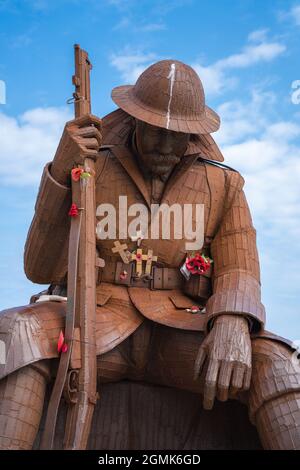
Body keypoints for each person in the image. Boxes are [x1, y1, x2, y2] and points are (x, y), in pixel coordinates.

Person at [0, 60, 299, 450]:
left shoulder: (223, 184)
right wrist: (60, 170)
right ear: (133, 118)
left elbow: (240, 266)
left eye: (178, 136)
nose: (165, 146)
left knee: (279, 366)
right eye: (156, 131)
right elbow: (38, 267)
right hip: (95, 323)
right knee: (15, 334)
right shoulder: (90, 167)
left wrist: (232, 319)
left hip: (181, 330)